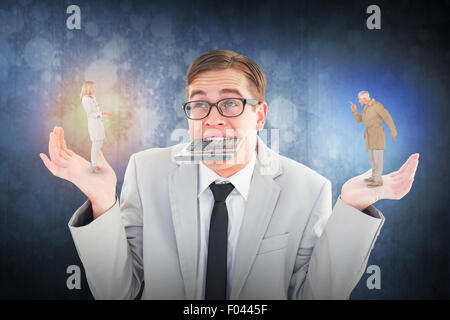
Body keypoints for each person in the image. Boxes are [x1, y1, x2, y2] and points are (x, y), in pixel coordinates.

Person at [39, 50, 418, 300]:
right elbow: (118, 292)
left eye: (231, 102)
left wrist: (352, 207)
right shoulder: (146, 170)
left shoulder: (308, 188)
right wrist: (103, 202)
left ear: (260, 114)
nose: (213, 117)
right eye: (199, 103)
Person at [350, 91, 397, 187]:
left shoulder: (377, 106)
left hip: (377, 136)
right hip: (369, 137)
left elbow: (387, 117)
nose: (359, 101)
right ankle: (374, 177)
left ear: (364, 99)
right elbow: (359, 120)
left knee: (378, 160)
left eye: (359, 99)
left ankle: (378, 181)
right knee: (372, 159)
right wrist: (354, 111)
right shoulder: (366, 108)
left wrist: (393, 131)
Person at [80, 81, 113, 173]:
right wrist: (102, 113)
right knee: (96, 144)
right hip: (94, 124)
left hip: (98, 123)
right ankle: (94, 165)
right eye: (92, 88)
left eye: (93, 88)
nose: (94, 89)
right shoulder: (85, 99)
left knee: (100, 142)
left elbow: (95, 110)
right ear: (87, 89)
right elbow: (90, 114)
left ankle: (95, 162)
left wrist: (101, 113)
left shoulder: (92, 97)